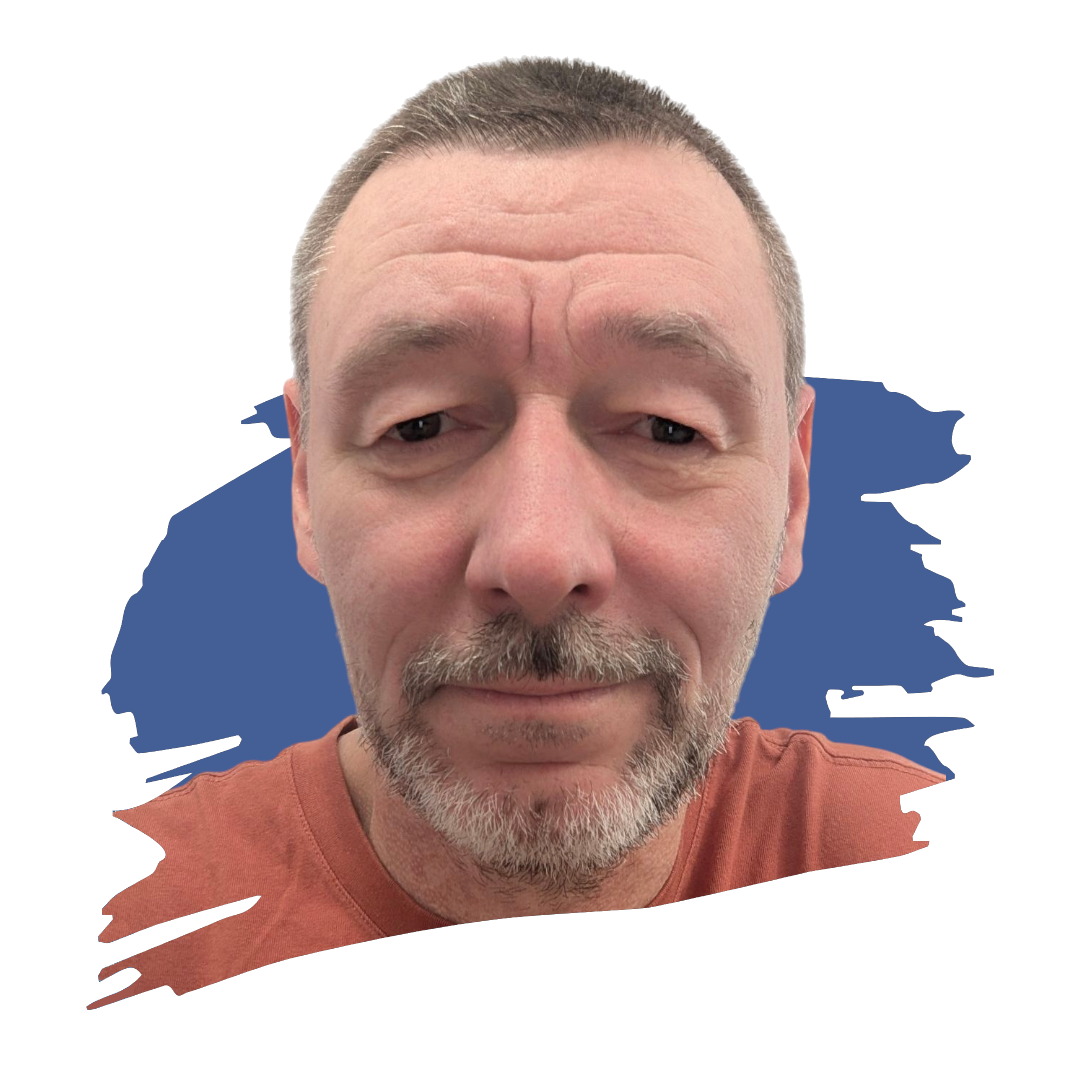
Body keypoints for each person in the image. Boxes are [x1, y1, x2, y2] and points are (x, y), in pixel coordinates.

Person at [94, 57, 945, 1008]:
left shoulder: (897, 837)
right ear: (301, 485)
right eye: (420, 426)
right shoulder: (134, 922)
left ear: (791, 491)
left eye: (668, 429)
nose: (539, 557)